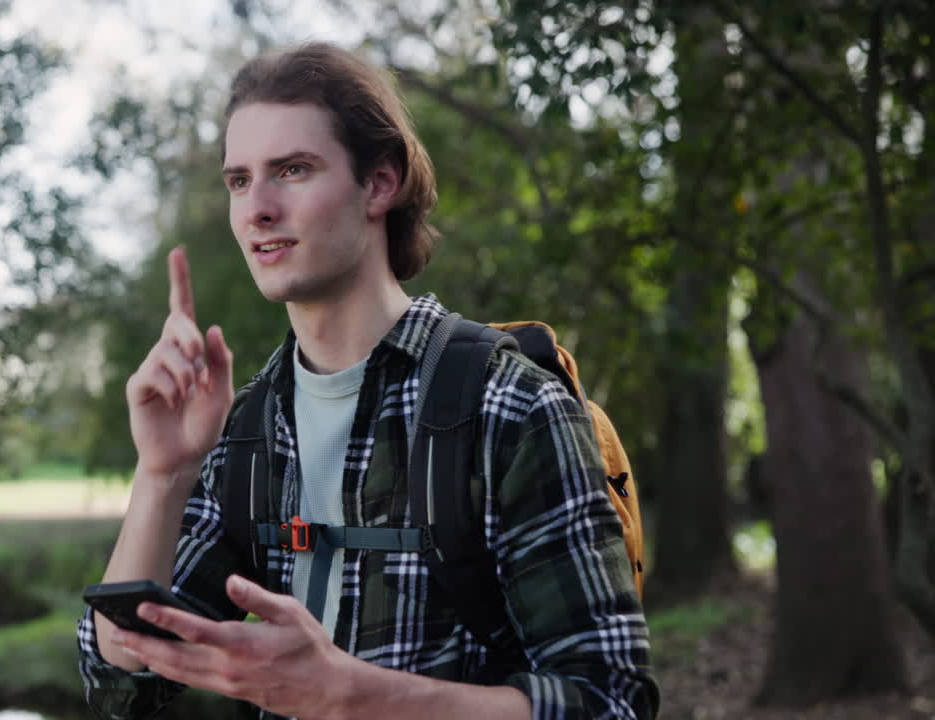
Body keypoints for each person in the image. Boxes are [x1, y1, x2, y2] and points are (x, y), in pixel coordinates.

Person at [77, 42, 658, 719]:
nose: (257, 208)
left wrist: (351, 695)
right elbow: (123, 677)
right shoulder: (249, 428)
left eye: (292, 170)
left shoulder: (509, 405)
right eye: (239, 180)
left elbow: (609, 702)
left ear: (380, 183)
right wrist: (164, 474)